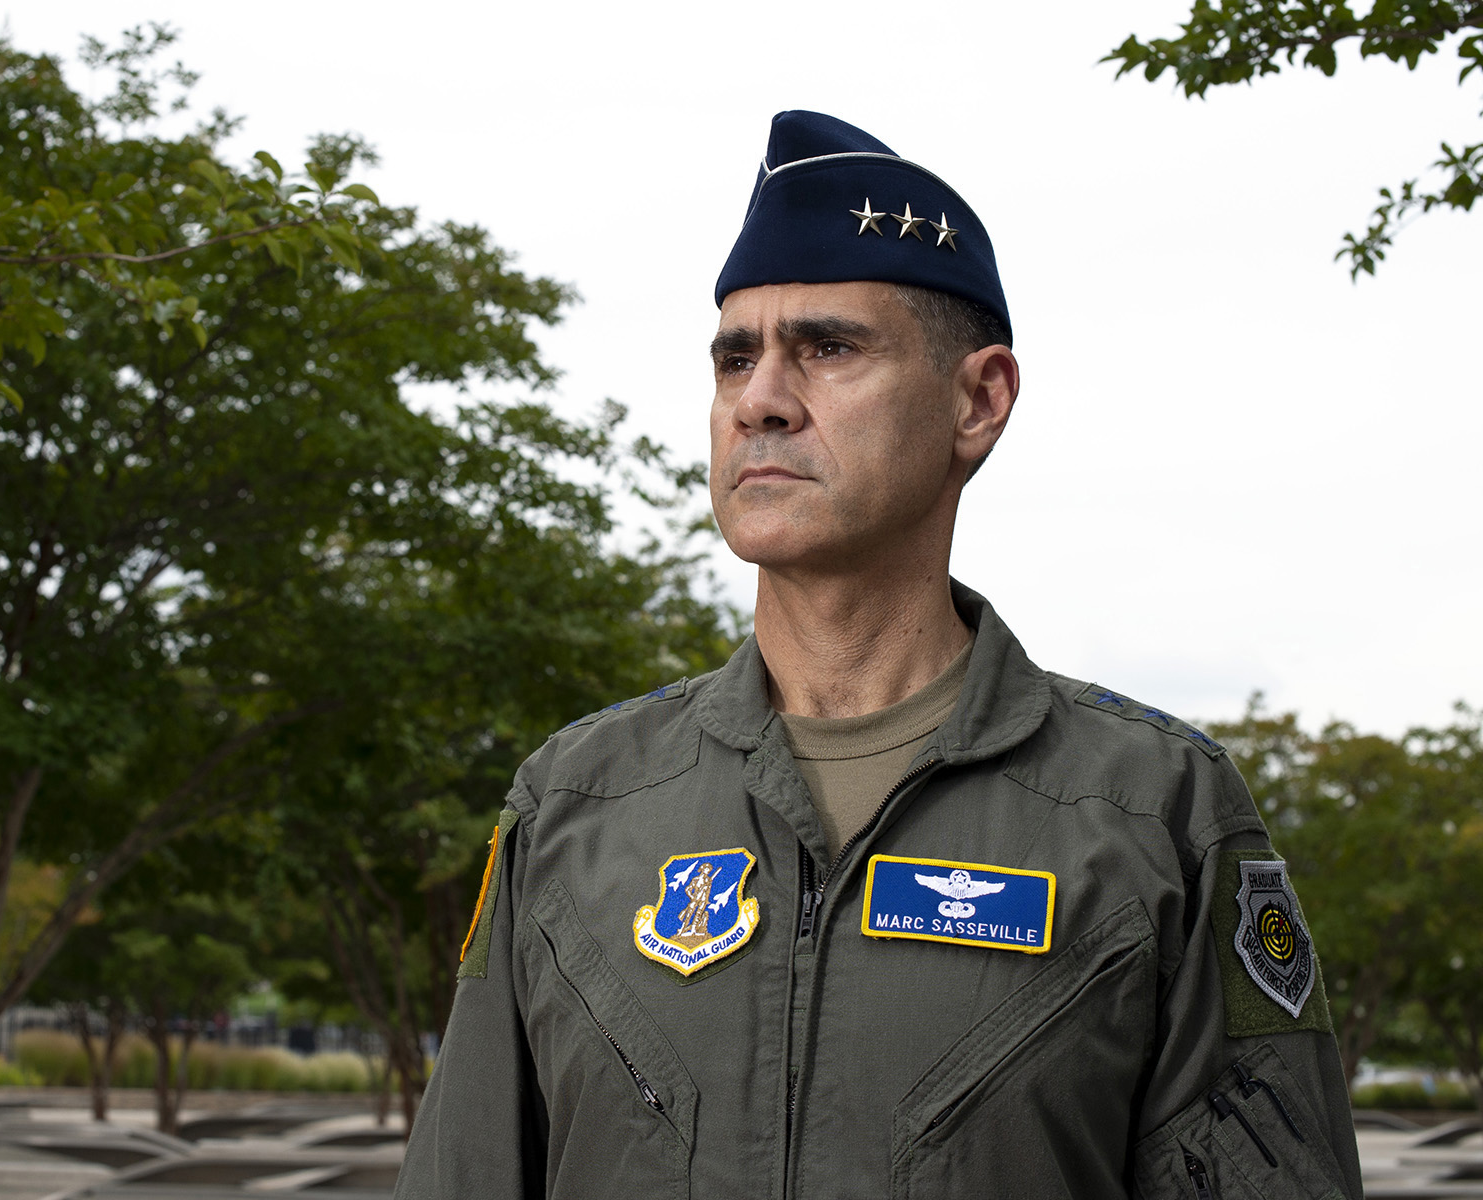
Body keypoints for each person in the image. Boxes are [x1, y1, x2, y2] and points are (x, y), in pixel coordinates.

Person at [395, 111, 1362, 1199]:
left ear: (978, 398)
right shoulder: (575, 805)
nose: (760, 400)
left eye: (829, 349)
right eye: (734, 358)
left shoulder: (1154, 812)